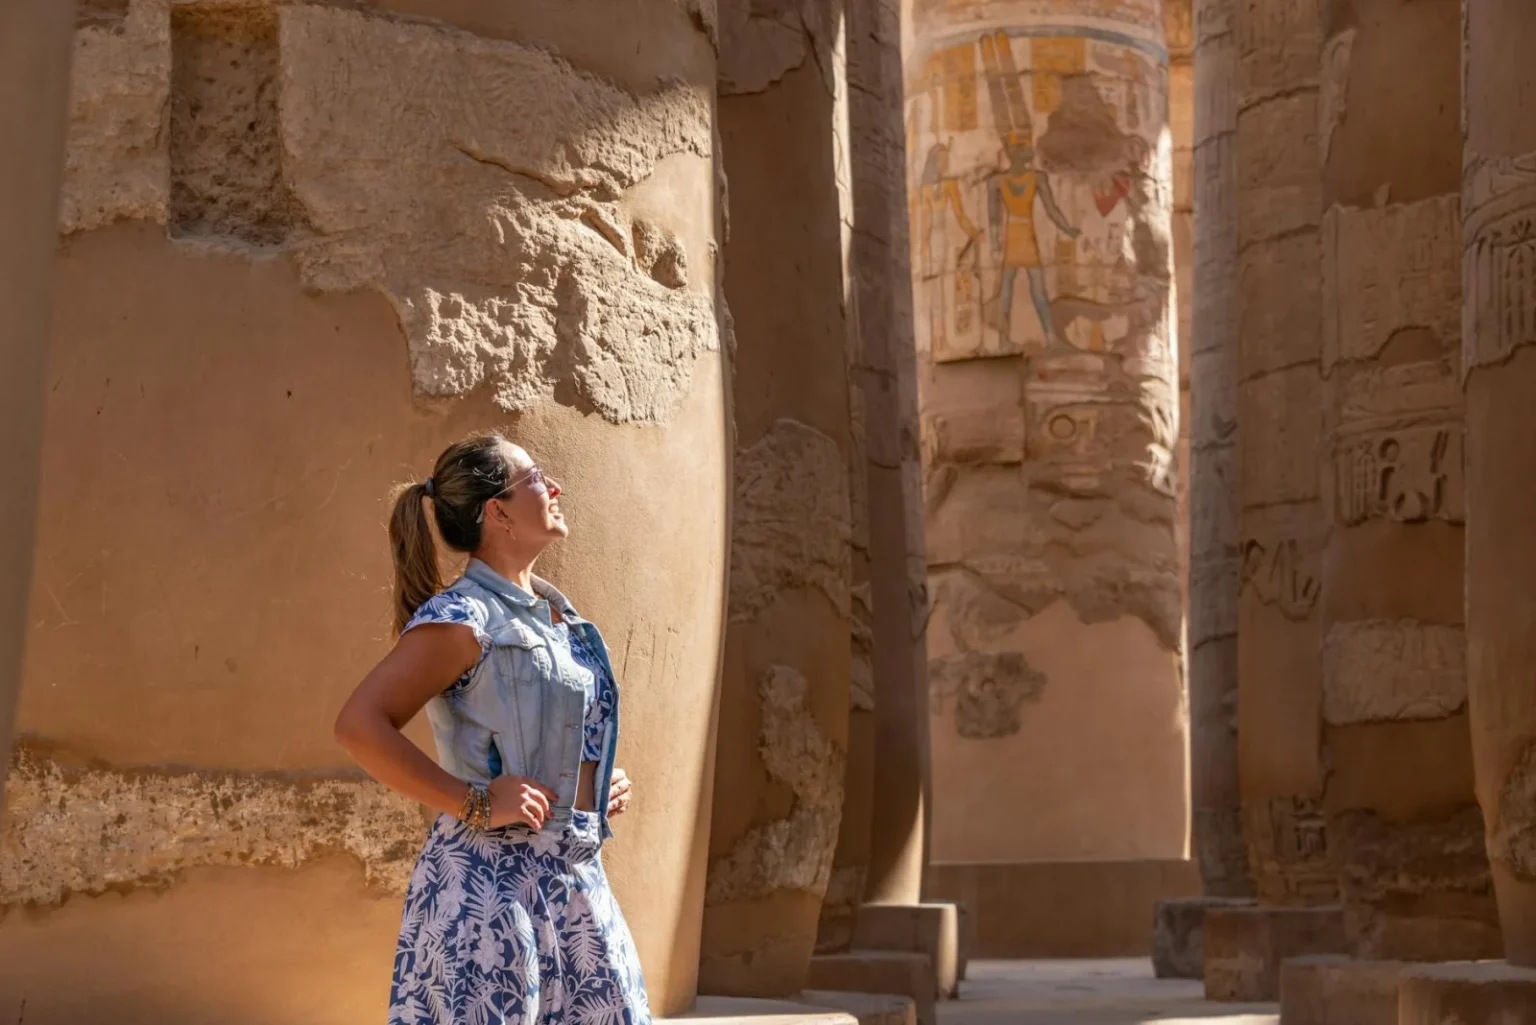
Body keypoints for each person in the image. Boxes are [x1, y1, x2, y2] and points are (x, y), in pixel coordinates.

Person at [334, 431, 649, 1025]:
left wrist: (595, 785)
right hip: (487, 895)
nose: (554, 487)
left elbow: (555, 737)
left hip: (575, 883)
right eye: (535, 478)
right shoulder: (463, 619)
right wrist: (473, 802)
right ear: (497, 512)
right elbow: (358, 725)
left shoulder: (558, 617)